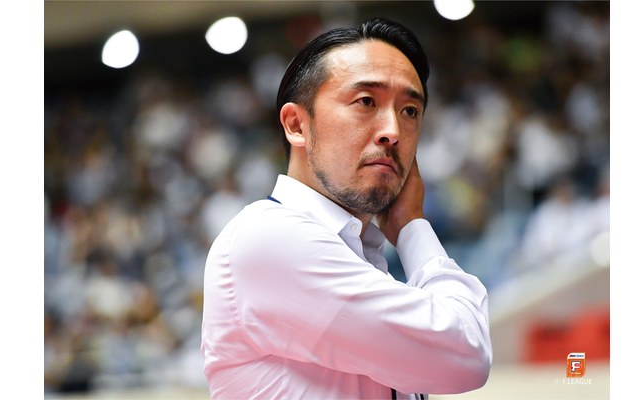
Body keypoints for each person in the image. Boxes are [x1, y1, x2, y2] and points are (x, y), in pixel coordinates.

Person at [201, 17, 492, 399]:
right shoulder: (268, 237)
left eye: (409, 111)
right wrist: (411, 225)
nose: (393, 131)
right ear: (296, 125)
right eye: (366, 102)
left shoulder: (360, 251)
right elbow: (465, 355)